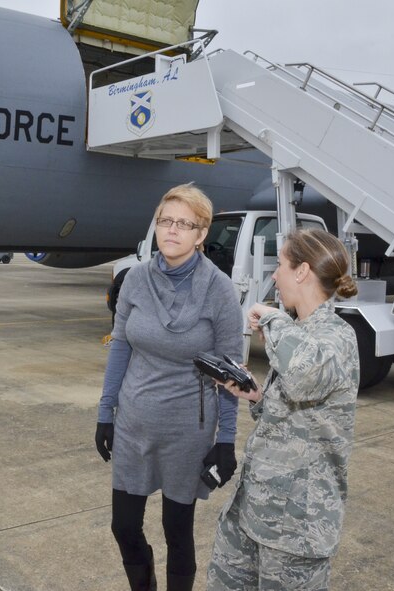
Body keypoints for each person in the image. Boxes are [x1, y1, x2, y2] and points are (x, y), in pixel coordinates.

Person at [95, 183, 244, 591]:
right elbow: (121, 346)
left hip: (187, 430)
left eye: (185, 223)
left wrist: (226, 440)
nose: (172, 230)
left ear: (201, 235)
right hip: (134, 422)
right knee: (123, 526)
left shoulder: (220, 291)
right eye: (166, 221)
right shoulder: (135, 280)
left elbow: (230, 371)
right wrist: (105, 412)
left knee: (177, 531)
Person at [206, 228, 360, 591]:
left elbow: (306, 377)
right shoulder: (299, 332)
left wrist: (273, 318)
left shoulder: (336, 336)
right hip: (253, 508)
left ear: (302, 271)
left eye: (281, 265)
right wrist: (257, 396)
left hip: (296, 527)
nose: (274, 275)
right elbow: (300, 406)